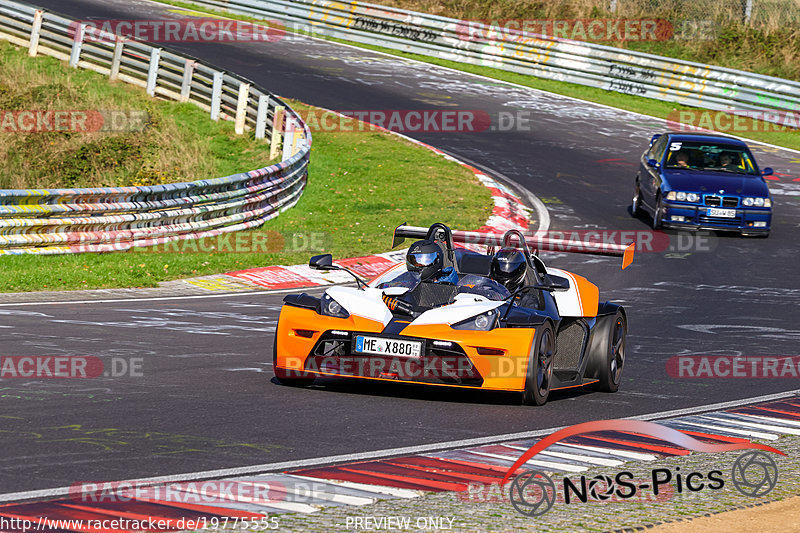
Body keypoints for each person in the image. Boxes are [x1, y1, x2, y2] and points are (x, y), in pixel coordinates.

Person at [378, 239, 458, 289]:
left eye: (425, 260)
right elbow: (385, 287)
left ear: (437, 260)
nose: (418, 265)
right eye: (415, 261)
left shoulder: (450, 285)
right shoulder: (408, 278)